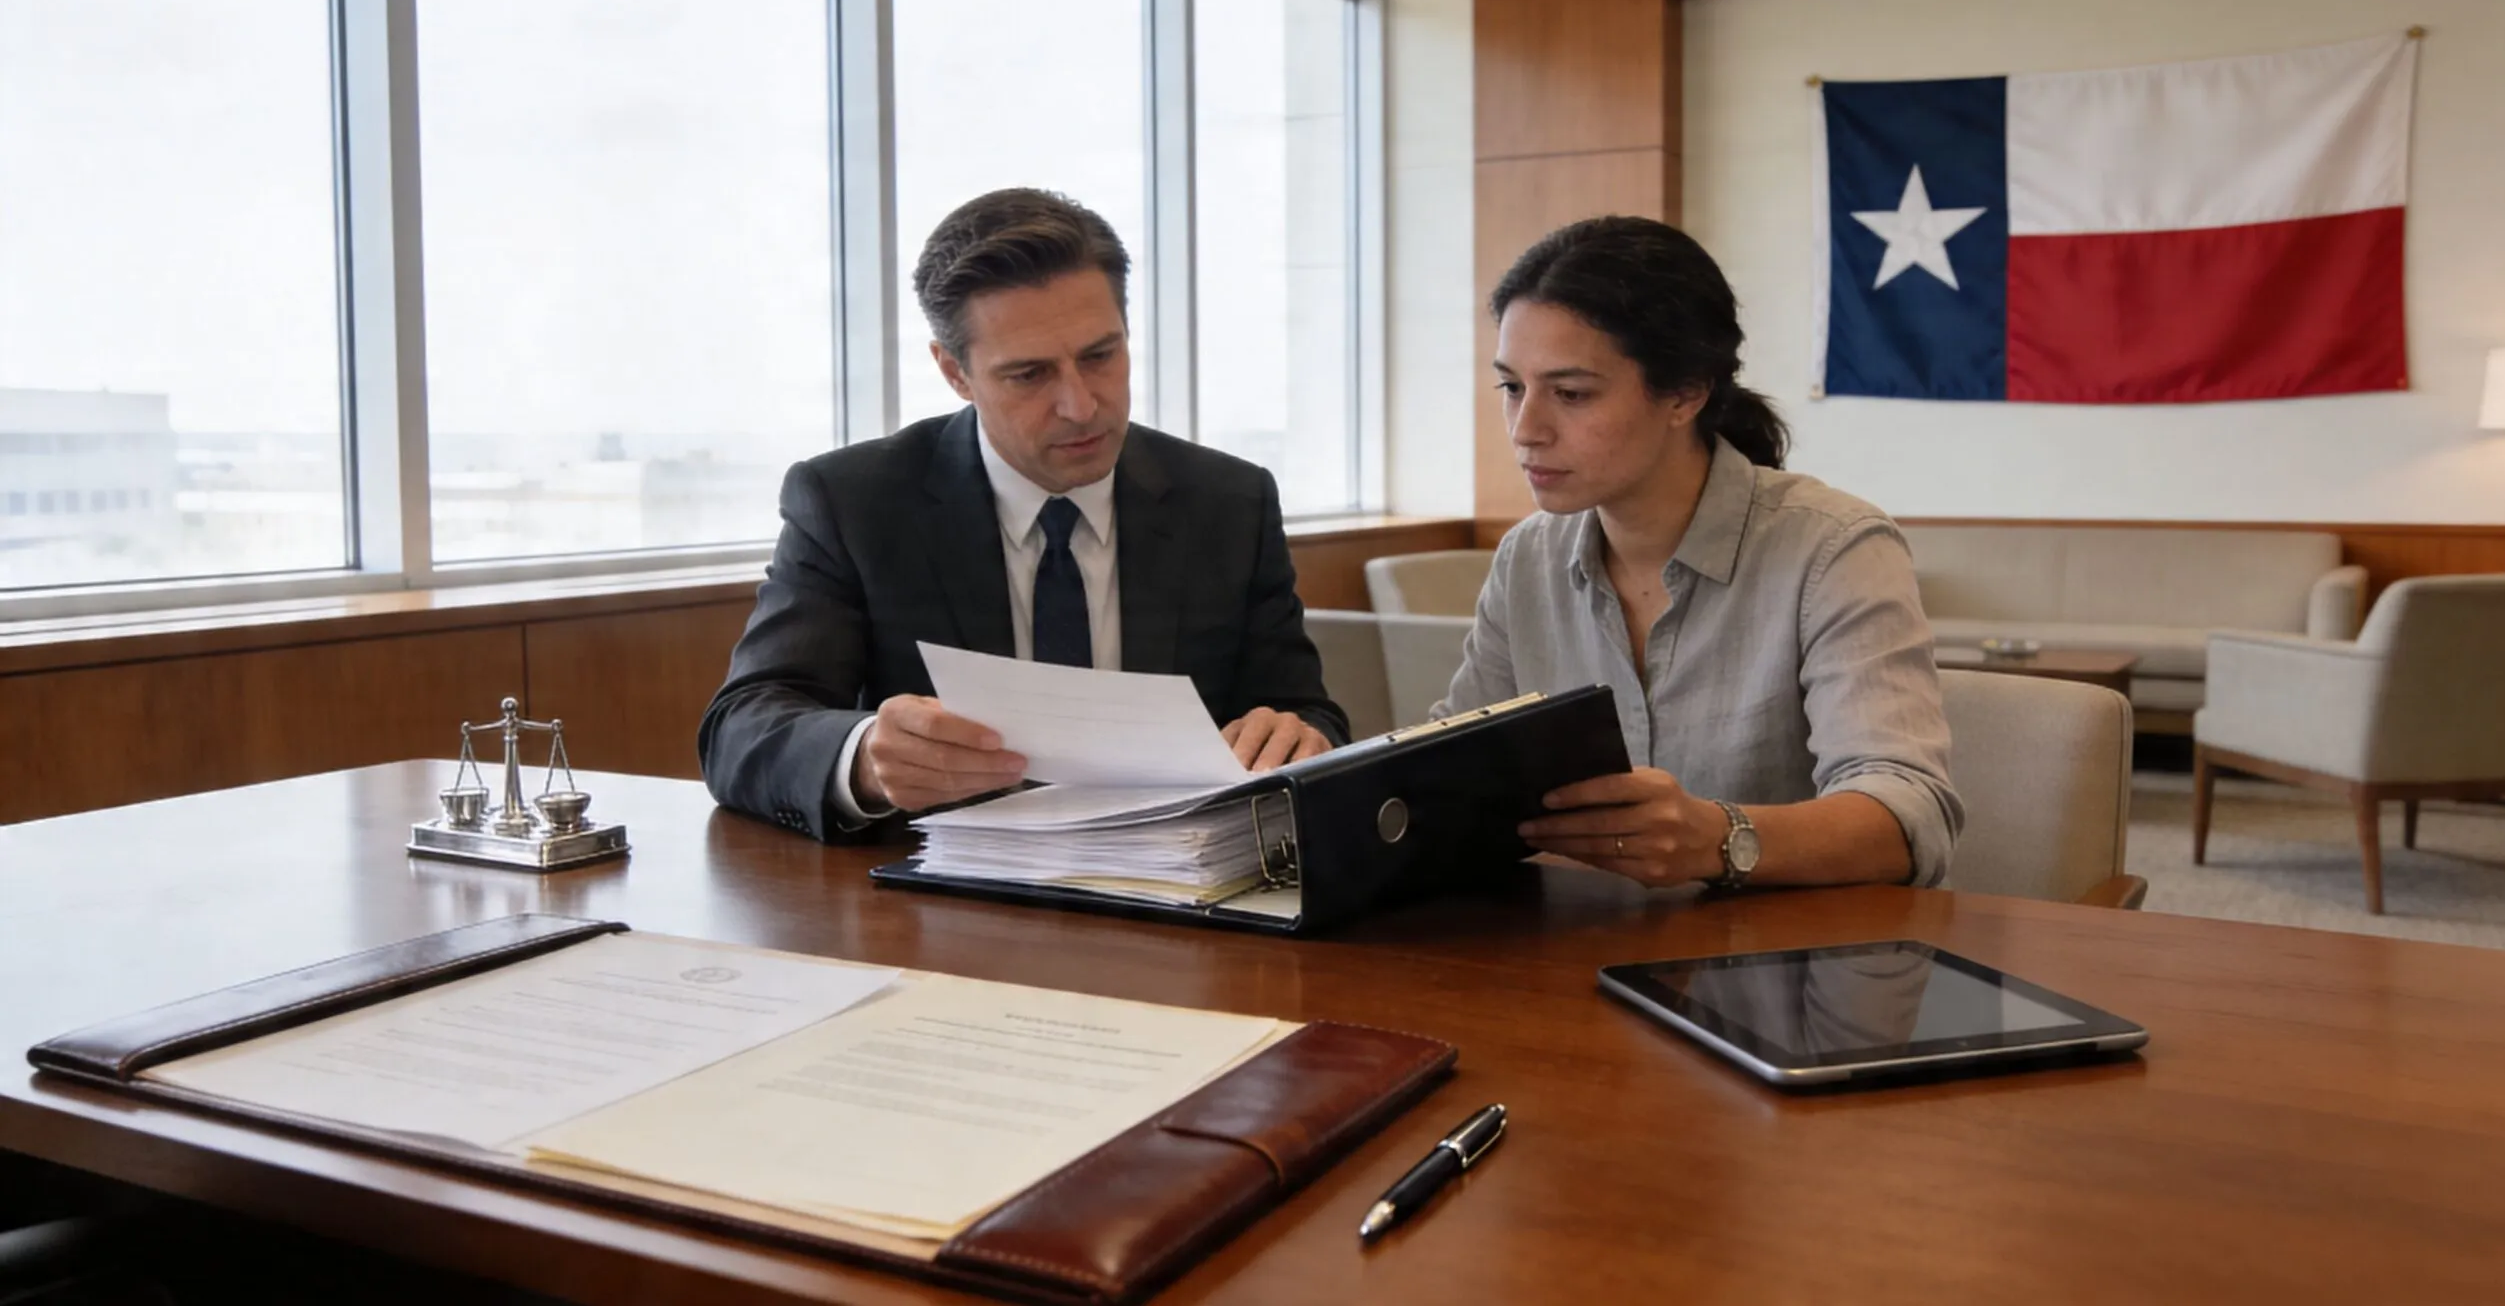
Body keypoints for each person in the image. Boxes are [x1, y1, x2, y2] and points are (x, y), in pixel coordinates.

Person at [701, 188, 1346, 840]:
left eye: (1100, 356)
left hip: (1183, 893)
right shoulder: (855, 502)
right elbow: (742, 728)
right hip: (940, 908)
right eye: (1029, 375)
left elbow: (1305, 711)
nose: (1080, 405)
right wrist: (867, 758)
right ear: (955, 371)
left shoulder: (1229, 502)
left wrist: (1299, 736)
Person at [1442, 216, 1961, 889]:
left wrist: (1721, 839)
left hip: (1785, 969)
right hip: (1574, 950)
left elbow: (1908, 816)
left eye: (1570, 394)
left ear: (1686, 393)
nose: (1525, 429)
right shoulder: (1527, 560)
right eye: (1512, 387)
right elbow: (1456, 764)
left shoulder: (1832, 547)